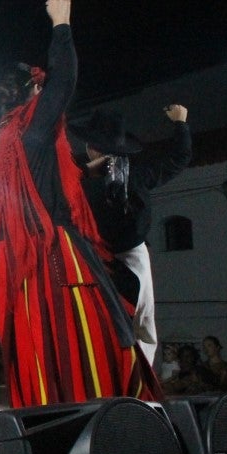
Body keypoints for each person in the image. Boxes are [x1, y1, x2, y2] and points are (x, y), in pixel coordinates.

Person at [0, 0, 159, 408]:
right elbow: (64, 82)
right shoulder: (31, 129)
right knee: (97, 335)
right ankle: (105, 417)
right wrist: (61, 26)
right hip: (53, 252)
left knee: (37, 341)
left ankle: (47, 417)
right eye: (40, 89)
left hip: (16, 259)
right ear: (33, 91)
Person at [72, 104, 192, 366]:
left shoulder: (76, 184)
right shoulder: (136, 175)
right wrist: (180, 123)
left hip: (90, 263)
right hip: (132, 259)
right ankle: (139, 389)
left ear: (90, 147)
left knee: (97, 325)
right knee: (142, 327)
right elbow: (178, 158)